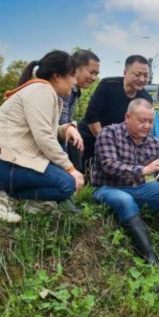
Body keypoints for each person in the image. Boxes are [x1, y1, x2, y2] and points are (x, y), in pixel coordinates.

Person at [0, 50, 85, 223]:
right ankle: (2, 196)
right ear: (57, 76)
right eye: (72, 75)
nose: (74, 81)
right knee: (67, 183)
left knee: (64, 182)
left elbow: (42, 129)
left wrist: (66, 129)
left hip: (2, 164)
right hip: (0, 164)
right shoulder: (41, 91)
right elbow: (44, 137)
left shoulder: (42, 91)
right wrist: (71, 169)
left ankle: (23, 200)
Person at [92, 98, 159, 265]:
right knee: (124, 200)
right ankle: (149, 256)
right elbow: (109, 165)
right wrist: (143, 170)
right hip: (108, 188)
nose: (147, 126)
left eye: (150, 121)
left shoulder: (154, 142)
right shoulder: (109, 133)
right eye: (142, 121)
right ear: (128, 117)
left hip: (139, 188)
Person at [78, 55, 153, 174]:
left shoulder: (145, 99)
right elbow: (92, 116)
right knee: (87, 178)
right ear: (125, 72)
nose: (142, 79)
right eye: (138, 74)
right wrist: (107, 145)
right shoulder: (108, 84)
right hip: (91, 136)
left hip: (121, 145)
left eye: (146, 75)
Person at [58, 49, 100, 213]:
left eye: (96, 73)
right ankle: (64, 198)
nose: (93, 77)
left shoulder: (76, 91)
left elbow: (66, 119)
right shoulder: (65, 88)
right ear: (76, 68)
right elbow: (60, 122)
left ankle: (71, 196)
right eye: (91, 72)